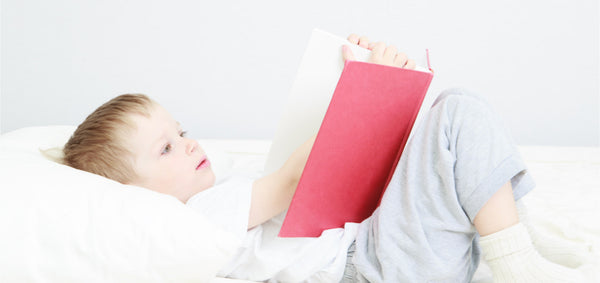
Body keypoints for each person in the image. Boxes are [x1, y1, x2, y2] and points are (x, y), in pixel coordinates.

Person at [62, 34, 587, 282]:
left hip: (378, 246)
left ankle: (510, 239)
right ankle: (514, 261)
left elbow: (322, 180)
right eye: (167, 148)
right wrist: (369, 89)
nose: (190, 143)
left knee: (441, 134)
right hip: (377, 266)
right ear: (133, 194)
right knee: (457, 112)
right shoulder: (199, 219)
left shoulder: (219, 194)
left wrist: (358, 84)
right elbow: (296, 178)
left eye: (181, 130)